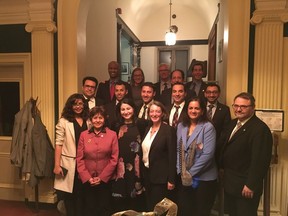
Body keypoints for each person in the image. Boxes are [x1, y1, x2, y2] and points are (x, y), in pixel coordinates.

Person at [219, 92, 273, 216]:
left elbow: (260, 161)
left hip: (245, 186)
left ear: (253, 108)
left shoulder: (260, 129)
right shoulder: (233, 123)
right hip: (231, 183)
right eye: (236, 105)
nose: (238, 109)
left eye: (243, 107)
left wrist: (250, 184)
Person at [176, 96, 218, 216]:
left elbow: (208, 155)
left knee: (200, 212)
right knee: (185, 211)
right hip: (184, 178)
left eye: (196, 108)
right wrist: (180, 171)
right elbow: (178, 150)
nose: (193, 111)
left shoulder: (208, 127)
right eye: (190, 108)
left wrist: (189, 173)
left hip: (204, 179)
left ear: (202, 111)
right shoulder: (181, 126)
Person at [76, 106, 119, 216]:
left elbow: (114, 159)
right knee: (89, 209)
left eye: (100, 118)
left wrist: (102, 178)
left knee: (104, 209)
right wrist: (87, 177)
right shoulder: (84, 135)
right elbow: (79, 158)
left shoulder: (112, 135)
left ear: (104, 119)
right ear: (90, 119)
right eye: (95, 118)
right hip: (87, 180)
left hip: (105, 180)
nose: (98, 120)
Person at [53, 93, 90, 216]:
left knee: (83, 194)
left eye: (81, 104)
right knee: (69, 195)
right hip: (69, 163)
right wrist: (57, 165)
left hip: (85, 163)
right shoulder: (63, 121)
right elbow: (58, 144)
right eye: (75, 104)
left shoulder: (89, 121)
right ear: (70, 106)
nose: (78, 107)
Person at [141, 101, 177, 211]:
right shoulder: (147, 129)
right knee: (149, 208)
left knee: (158, 210)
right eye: (152, 111)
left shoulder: (168, 130)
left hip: (161, 178)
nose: (154, 114)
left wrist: (171, 179)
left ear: (162, 113)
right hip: (147, 175)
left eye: (157, 111)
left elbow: (172, 155)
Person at [111, 98, 144, 213]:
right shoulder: (115, 125)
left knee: (136, 200)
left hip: (137, 166)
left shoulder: (141, 123)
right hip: (120, 165)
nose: (126, 112)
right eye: (123, 109)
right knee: (120, 199)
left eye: (128, 108)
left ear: (133, 109)